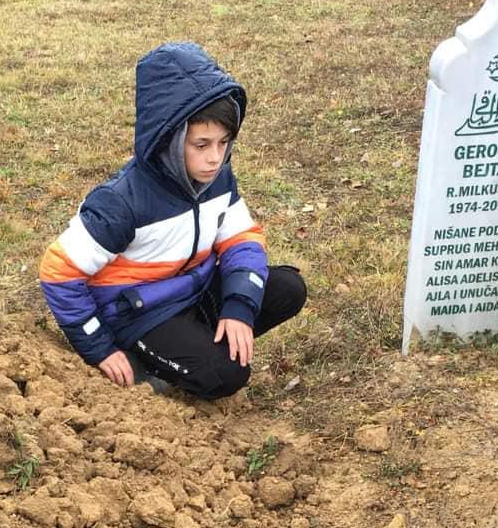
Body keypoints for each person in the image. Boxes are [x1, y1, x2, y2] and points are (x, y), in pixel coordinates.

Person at [40, 42, 307, 400]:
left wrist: (238, 308)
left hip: (193, 293)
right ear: (169, 139)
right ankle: (145, 363)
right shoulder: (121, 202)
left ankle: (193, 343)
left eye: (223, 143)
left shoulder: (218, 179)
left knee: (288, 288)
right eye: (201, 144)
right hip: (138, 316)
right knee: (225, 375)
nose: (215, 158)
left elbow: (242, 239)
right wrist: (99, 347)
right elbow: (58, 273)